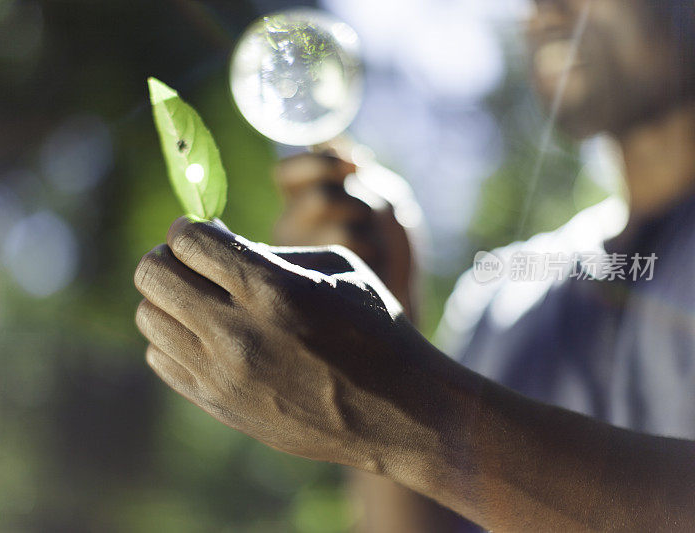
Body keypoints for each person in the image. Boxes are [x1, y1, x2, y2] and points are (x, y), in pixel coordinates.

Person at [134, 0, 695, 530]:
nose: (545, 8)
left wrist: (401, 406)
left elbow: (412, 419)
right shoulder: (502, 294)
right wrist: (388, 309)